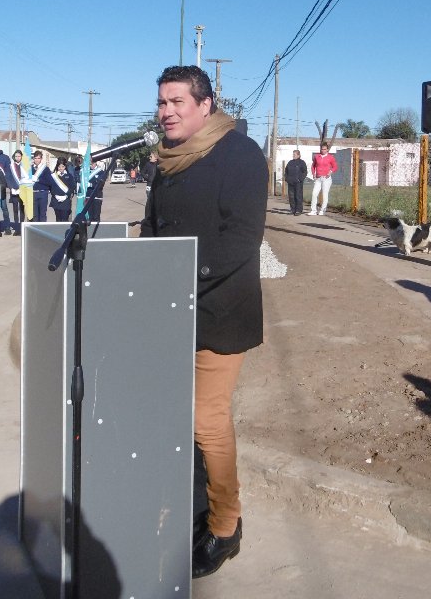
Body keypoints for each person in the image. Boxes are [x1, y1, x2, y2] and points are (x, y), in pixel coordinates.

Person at [140, 65, 267, 579]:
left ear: (205, 105)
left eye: (177, 102)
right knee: (177, 416)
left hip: (219, 309)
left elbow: (242, 238)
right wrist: (141, 270)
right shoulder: (168, 159)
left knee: (206, 420)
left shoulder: (240, 154)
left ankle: (225, 525)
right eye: (162, 102)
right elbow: (154, 226)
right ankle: (193, 506)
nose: (166, 112)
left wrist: (182, 278)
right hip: (170, 309)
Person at [309, 142, 338, 216]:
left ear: (327, 149)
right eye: (322, 149)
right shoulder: (317, 157)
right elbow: (313, 166)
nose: (323, 150)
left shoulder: (330, 157)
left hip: (326, 178)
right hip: (318, 178)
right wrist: (313, 174)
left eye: (325, 149)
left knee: (325, 195)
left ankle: (322, 210)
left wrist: (330, 172)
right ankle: (313, 210)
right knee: (314, 194)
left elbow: (335, 167)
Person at [50, 157, 75, 222]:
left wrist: (66, 196)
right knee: (58, 219)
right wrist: (55, 195)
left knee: (65, 220)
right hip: (56, 201)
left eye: (62, 166)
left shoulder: (69, 176)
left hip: (66, 201)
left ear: (65, 167)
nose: (61, 168)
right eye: (59, 167)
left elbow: (72, 187)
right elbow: (51, 187)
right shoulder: (53, 176)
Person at [31, 150, 53, 223]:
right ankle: (35, 229)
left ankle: (42, 228)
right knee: (34, 214)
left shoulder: (45, 169)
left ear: (41, 159)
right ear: (33, 158)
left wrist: (38, 180)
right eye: (35, 158)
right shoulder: (30, 168)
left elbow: (49, 182)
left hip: (43, 193)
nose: (37, 160)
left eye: (38, 158)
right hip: (33, 193)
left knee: (42, 214)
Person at [7, 149, 25, 234]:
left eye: (19, 156)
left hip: (22, 191)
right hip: (14, 191)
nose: (18, 157)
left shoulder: (24, 166)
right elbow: (8, 178)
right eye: (16, 156)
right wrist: (11, 188)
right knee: (15, 210)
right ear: (14, 157)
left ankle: (21, 227)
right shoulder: (11, 166)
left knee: (22, 209)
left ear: (21, 157)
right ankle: (17, 228)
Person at [284, 150, 308, 215]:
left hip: (298, 183)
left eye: (294, 154)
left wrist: (300, 179)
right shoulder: (290, 162)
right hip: (290, 182)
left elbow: (305, 172)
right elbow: (286, 171)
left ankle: (298, 210)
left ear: (298, 155)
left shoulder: (302, 162)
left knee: (298, 196)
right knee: (291, 197)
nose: (293, 155)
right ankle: (292, 210)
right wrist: (287, 179)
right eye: (293, 154)